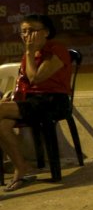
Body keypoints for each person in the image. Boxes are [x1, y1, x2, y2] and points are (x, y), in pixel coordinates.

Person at [0, 14, 73, 192]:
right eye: (23, 32)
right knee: (2, 125)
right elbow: (24, 83)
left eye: (32, 31)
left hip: (53, 101)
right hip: (32, 101)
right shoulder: (31, 53)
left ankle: (21, 168)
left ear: (46, 32)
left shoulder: (57, 50)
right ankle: (21, 167)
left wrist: (29, 52)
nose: (26, 36)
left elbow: (35, 79)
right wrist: (10, 96)